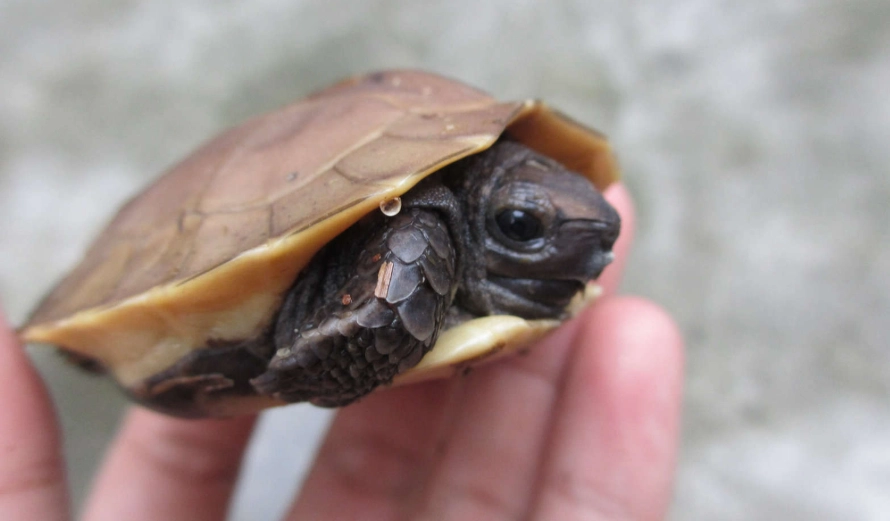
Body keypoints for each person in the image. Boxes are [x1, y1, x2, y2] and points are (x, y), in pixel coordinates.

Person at [0, 184, 683, 520]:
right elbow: (410, 243)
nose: (587, 243)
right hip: (199, 245)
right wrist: (369, 330)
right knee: (412, 234)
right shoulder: (424, 230)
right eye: (520, 227)